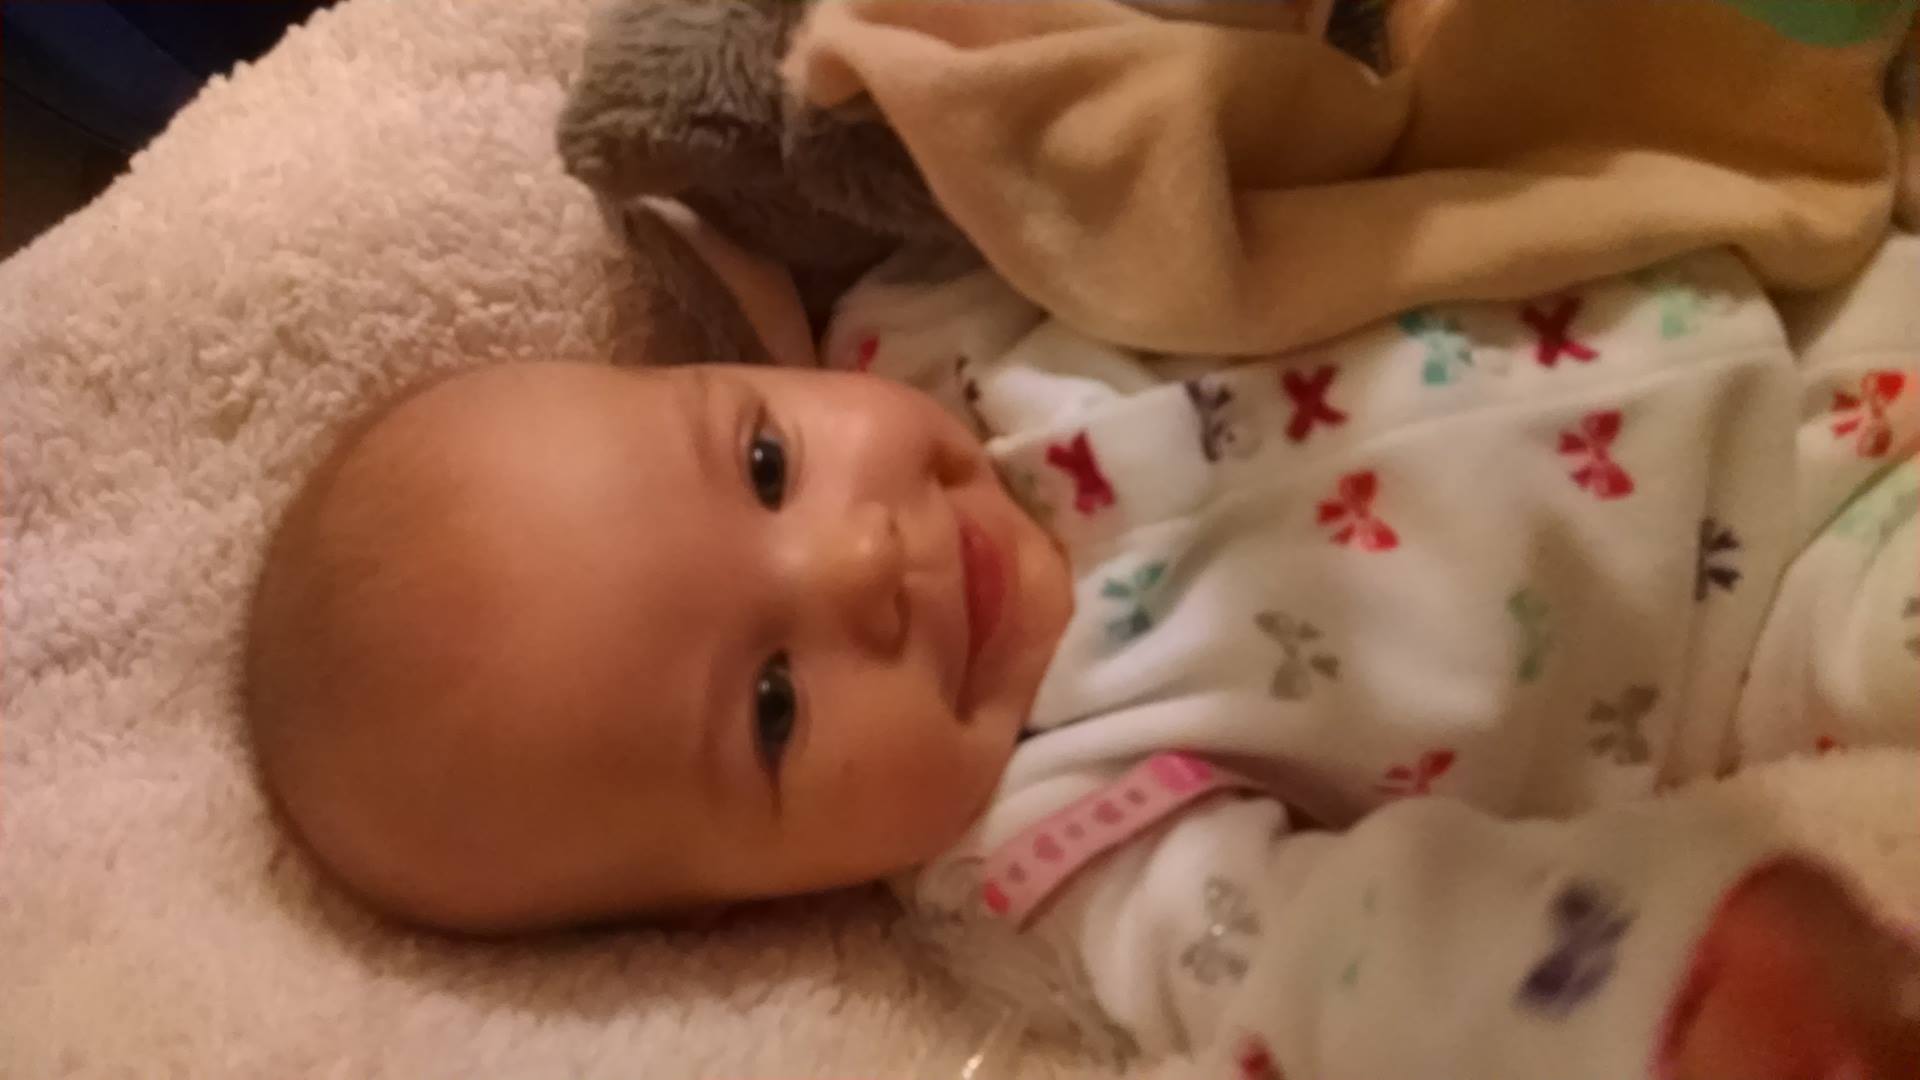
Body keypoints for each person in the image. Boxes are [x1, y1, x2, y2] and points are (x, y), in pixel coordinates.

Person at [243, 231, 1920, 1077]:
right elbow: (1336, 962)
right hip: (1795, 595)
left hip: (1797, 259)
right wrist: (1637, 991)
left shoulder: (924, 308)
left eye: (762, 461)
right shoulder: (1054, 842)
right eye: (772, 705)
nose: (859, 562)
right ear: (732, 907)